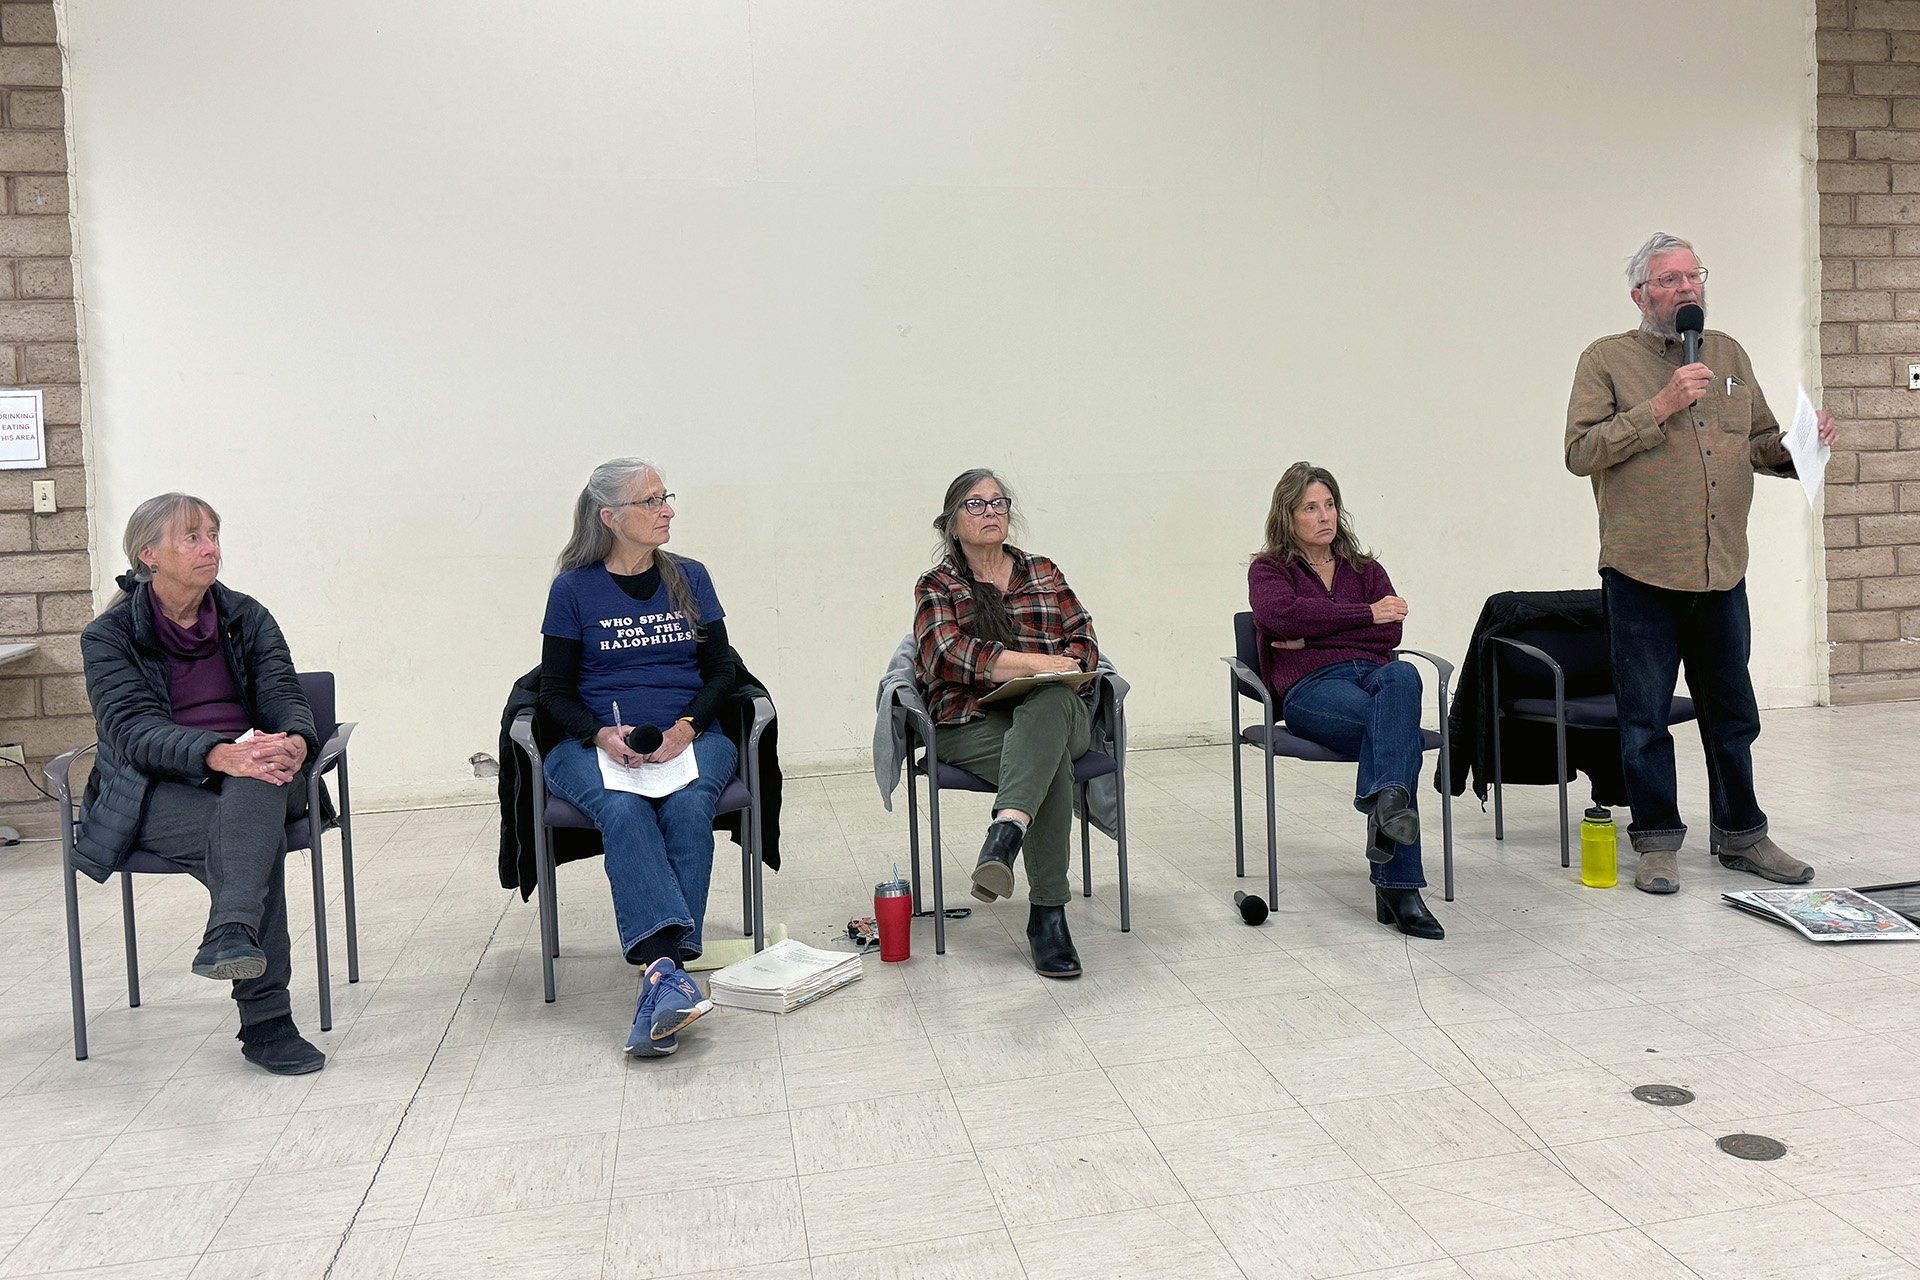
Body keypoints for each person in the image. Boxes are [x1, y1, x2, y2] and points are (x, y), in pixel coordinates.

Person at [1566, 232, 1839, 895]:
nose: (1688, 289)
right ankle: (1657, 842)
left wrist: (1801, 446)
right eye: (1670, 279)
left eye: (1695, 277)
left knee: (1733, 712)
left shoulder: (1728, 354)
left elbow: (1755, 442)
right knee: (1645, 718)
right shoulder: (1606, 359)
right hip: (1642, 571)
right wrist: (1659, 407)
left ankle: (1742, 834)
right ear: (1639, 294)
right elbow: (1580, 452)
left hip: (1721, 571)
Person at [78, 494, 326, 1074]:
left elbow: (283, 695)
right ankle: (266, 1021)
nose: (211, 547)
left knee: (257, 783)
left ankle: (233, 936)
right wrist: (219, 754)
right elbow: (133, 732)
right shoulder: (107, 636)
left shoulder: (246, 615)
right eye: (192, 537)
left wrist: (292, 738)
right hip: (156, 787)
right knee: (248, 839)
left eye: (213, 534)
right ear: (149, 554)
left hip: (262, 774)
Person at [539, 457, 739, 1055]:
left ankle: (661, 977)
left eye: (665, 497)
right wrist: (602, 735)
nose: (667, 510)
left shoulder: (690, 577)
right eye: (651, 501)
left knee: (687, 808)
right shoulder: (573, 589)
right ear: (610, 517)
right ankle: (668, 973)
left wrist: (685, 727)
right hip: (593, 743)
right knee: (623, 811)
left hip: (690, 735)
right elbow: (554, 694)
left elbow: (723, 672)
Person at [912, 469, 1100, 978]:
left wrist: (1060, 670)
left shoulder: (1043, 571)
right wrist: (1037, 664)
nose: (991, 511)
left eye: (999, 502)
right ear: (951, 524)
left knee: (1049, 706)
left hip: (1060, 711)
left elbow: (1084, 640)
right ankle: (1048, 917)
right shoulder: (938, 585)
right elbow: (947, 655)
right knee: (1052, 766)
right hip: (970, 721)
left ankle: (1006, 830)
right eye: (975, 504)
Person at [1248, 462, 1442, 940]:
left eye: (1329, 504)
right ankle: (1400, 887)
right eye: (1310, 507)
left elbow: (1392, 628)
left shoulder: (1365, 568)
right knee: (1398, 737)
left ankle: (1386, 808)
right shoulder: (1270, 570)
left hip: (1376, 678)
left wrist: (1315, 630)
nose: (1324, 516)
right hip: (1313, 688)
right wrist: (1363, 617)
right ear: (1288, 516)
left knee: (1404, 671)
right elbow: (1282, 616)